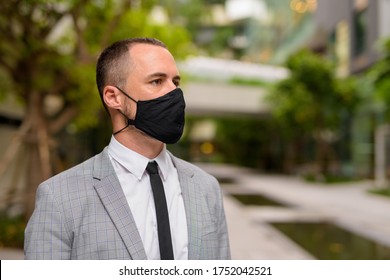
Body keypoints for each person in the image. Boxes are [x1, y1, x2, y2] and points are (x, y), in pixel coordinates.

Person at [24, 37, 231, 260]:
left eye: (176, 82)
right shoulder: (60, 197)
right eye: (157, 81)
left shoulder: (206, 188)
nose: (174, 94)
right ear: (114, 97)